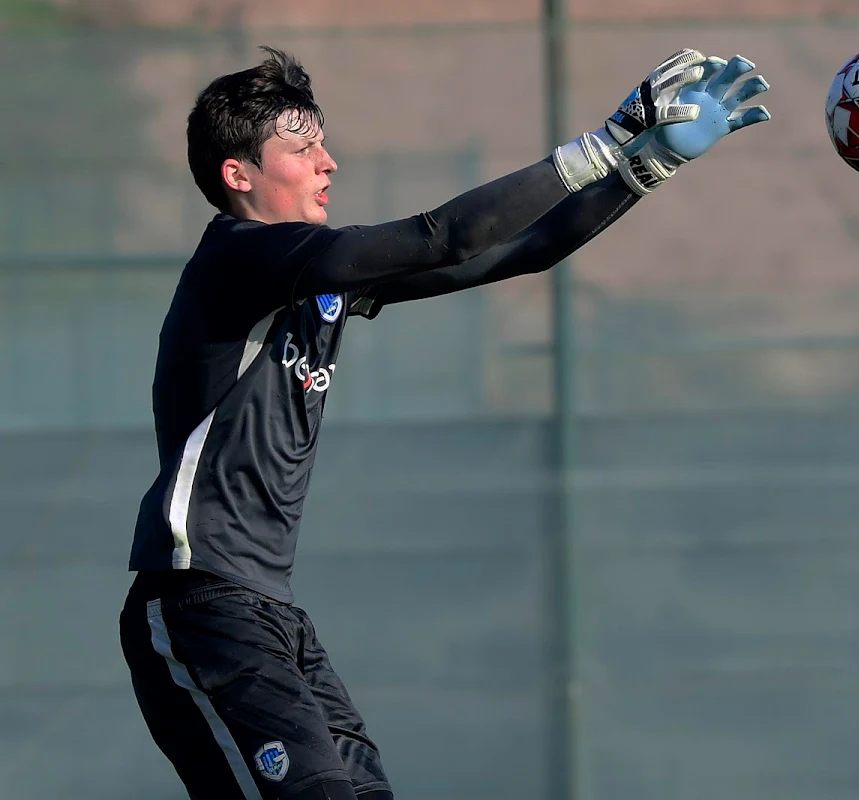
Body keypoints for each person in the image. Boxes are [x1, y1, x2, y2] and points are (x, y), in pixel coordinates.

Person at [117, 44, 769, 800]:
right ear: (240, 175)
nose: (328, 162)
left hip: (270, 613)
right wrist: (608, 137)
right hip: (200, 606)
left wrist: (645, 166)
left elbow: (516, 253)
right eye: (301, 149)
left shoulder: (317, 280)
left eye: (323, 141)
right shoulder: (237, 260)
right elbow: (443, 235)